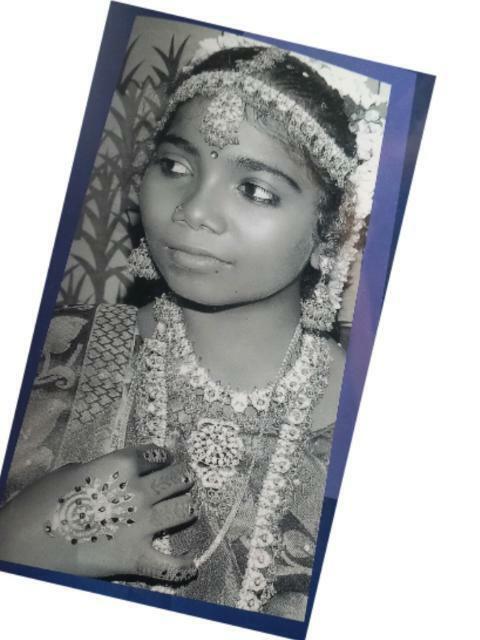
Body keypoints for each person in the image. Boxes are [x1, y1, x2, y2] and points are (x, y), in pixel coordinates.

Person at [0, 38, 384, 620]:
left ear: (328, 232)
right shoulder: (52, 352)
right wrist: (17, 544)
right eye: (175, 167)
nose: (193, 210)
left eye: (255, 189)